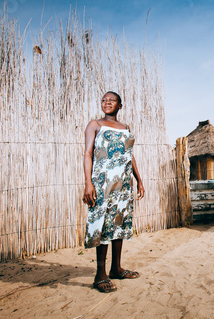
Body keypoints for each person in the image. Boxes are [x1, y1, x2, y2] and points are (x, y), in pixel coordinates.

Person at [83, 91, 145, 293]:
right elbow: (88, 153)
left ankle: (116, 269)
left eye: (112, 100)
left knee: (119, 223)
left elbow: (130, 156)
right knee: (102, 224)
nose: (107, 102)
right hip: (102, 183)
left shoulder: (126, 128)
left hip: (123, 184)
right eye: (104, 100)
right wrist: (88, 183)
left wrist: (139, 180)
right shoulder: (95, 125)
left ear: (120, 105)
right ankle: (100, 275)